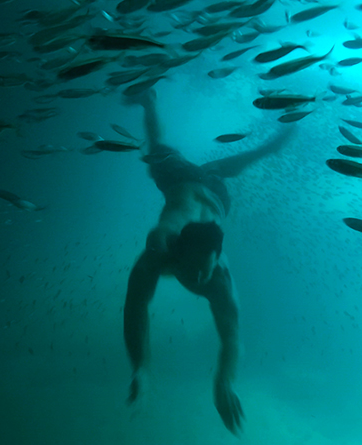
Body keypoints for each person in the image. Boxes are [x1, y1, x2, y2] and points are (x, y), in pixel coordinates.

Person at [122, 89, 294, 435]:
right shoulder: (160, 245)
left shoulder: (219, 279)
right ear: (177, 254)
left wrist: (223, 383)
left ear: (218, 260)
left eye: (206, 270)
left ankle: (272, 143)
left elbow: (232, 339)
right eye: (193, 269)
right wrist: (141, 366)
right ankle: (149, 99)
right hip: (180, 180)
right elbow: (135, 305)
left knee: (239, 161)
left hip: (215, 194)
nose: (200, 278)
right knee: (157, 149)